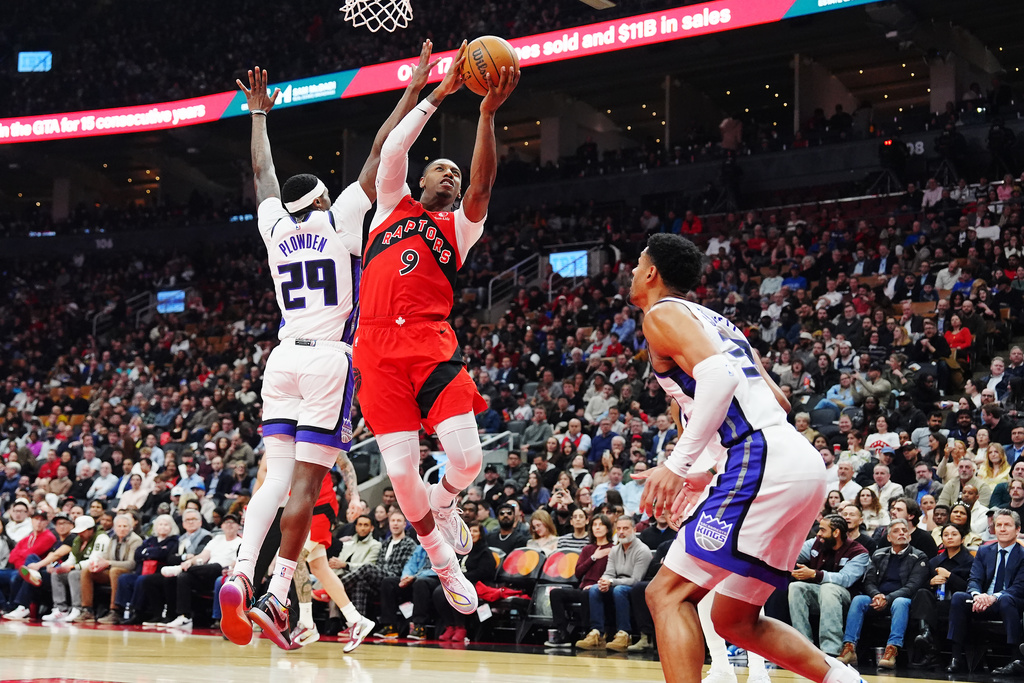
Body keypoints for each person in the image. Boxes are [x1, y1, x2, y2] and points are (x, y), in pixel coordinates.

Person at [220, 47, 441, 650]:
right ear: (322, 197)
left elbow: (264, 177)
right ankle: (277, 590)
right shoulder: (342, 216)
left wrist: (259, 115)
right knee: (305, 487)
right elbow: (380, 149)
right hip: (326, 359)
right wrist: (416, 89)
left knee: (273, 479)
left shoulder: (274, 229)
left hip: (281, 355)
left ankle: (242, 570)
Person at [628, 234, 861, 683]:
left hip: (761, 459)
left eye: (637, 264)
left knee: (667, 595)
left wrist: (677, 466)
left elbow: (718, 377)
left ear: (652, 272)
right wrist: (703, 470)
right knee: (736, 620)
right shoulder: (720, 322)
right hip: (799, 461)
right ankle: (844, 680)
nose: (633, 273)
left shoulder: (662, 314)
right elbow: (776, 399)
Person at [351, 42, 518, 620]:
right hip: (373, 347)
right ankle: (444, 564)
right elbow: (392, 147)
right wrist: (436, 93)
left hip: (427, 343)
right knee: (398, 473)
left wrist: (486, 115)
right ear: (419, 179)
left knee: (468, 461)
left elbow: (483, 185)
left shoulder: (458, 227)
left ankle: (446, 502)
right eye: (440, 167)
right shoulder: (388, 207)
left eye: (455, 169)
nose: (450, 173)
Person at [836, 519, 929, 669]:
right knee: (859, 599)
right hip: (878, 598)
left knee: (900, 602)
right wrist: (877, 596)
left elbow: (913, 586)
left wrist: (887, 598)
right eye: (896, 531)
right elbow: (869, 581)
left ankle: (892, 650)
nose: (901, 533)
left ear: (910, 536)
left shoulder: (919, 557)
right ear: (888, 538)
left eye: (904, 531)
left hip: (902, 600)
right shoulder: (879, 554)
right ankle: (849, 648)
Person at [945, 509, 1024, 673]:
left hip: (1009, 601)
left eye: (1007, 525)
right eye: (998, 525)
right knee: (959, 598)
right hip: (982, 601)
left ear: (1017, 529)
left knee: (1007, 600)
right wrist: (978, 595)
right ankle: (956, 657)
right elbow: (974, 579)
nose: (1002, 529)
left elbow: (1019, 587)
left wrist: (993, 597)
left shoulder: (1022, 554)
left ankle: (1016, 659)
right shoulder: (984, 551)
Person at [787, 515, 870, 657]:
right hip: (821, 595)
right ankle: (803, 645)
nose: (818, 533)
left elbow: (846, 579)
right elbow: (792, 556)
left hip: (847, 598)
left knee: (828, 587)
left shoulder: (859, 552)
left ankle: (831, 649)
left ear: (836, 533)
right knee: (796, 587)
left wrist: (815, 574)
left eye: (822, 530)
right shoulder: (816, 543)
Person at [575, 516, 652, 652]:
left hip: (633, 588)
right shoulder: (615, 550)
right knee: (594, 589)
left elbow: (636, 580)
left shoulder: (643, 550)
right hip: (616, 583)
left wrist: (611, 582)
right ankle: (597, 633)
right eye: (619, 528)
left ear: (634, 530)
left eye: (626, 528)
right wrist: (603, 581)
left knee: (619, 590)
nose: (621, 532)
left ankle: (624, 634)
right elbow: (609, 572)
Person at [545, 514, 614, 648]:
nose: (597, 528)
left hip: (601, 588)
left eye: (601, 525)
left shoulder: (613, 549)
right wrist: (594, 557)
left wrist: (595, 585)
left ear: (607, 528)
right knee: (556, 593)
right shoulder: (588, 549)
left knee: (587, 594)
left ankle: (587, 632)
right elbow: (578, 573)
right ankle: (563, 633)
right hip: (584, 587)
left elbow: (612, 572)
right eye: (595, 525)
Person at [910, 524, 974, 667]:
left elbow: (970, 588)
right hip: (935, 603)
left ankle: (931, 651)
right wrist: (931, 582)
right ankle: (925, 633)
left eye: (954, 534)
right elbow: (920, 585)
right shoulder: (934, 561)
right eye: (946, 535)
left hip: (957, 605)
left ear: (962, 539)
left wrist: (950, 577)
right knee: (922, 593)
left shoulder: (969, 561)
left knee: (936, 609)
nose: (949, 537)